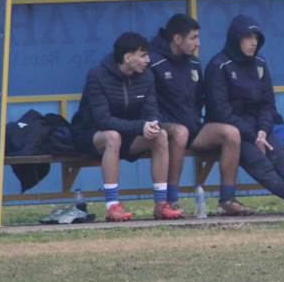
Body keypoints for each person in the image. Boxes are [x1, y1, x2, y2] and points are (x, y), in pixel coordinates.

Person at [205, 14, 284, 214]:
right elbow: (219, 110)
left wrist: (263, 130)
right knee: (260, 163)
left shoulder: (260, 63)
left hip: (259, 127)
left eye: (257, 37)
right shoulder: (219, 65)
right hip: (234, 130)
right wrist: (252, 135)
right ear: (236, 38)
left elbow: (268, 102)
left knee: (279, 156)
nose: (253, 42)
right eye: (248, 37)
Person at [149, 13, 250, 217]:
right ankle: (171, 200)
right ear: (177, 38)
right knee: (181, 132)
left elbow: (200, 98)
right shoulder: (154, 62)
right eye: (193, 38)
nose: (198, 43)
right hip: (165, 130)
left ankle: (227, 200)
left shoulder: (194, 63)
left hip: (192, 126)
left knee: (231, 133)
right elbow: (148, 102)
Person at [70, 31, 170, 222]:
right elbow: (103, 121)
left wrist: (152, 124)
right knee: (112, 136)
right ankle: (112, 205)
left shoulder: (147, 76)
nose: (148, 60)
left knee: (161, 135)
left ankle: (161, 204)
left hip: (129, 134)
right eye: (143, 55)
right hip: (91, 135)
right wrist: (140, 126)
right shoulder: (97, 75)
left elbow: (152, 111)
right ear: (127, 57)